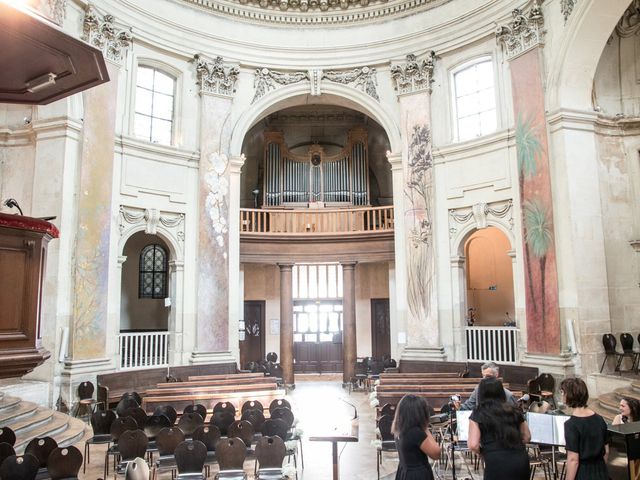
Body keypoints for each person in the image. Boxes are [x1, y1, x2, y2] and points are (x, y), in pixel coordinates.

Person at [468, 377, 531, 480]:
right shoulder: (514, 410)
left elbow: (473, 445)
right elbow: (527, 437)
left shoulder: (478, 412)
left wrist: (483, 452)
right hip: (520, 459)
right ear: (501, 392)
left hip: (496, 461)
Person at [560, 377, 609, 480]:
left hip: (583, 473)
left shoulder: (571, 424)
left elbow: (573, 460)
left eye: (562, 392)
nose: (561, 395)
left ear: (569, 395)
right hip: (601, 471)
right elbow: (606, 451)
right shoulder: (600, 419)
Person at [391, 394, 441, 480]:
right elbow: (436, 453)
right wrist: (424, 426)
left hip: (404, 471)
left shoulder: (400, 427)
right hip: (417, 475)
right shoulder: (415, 433)